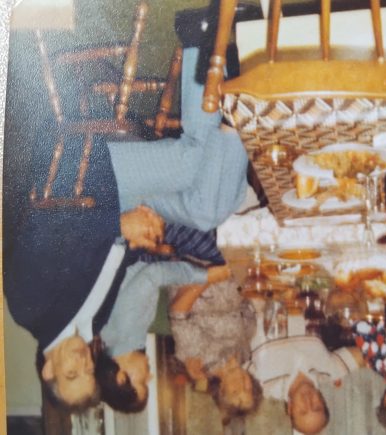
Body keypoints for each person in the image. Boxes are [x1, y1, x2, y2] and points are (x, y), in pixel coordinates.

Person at [4, 45, 249, 411]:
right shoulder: (92, 324)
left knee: (194, 163)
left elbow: (42, 225)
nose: (84, 362)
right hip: (117, 207)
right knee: (207, 211)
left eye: (72, 373)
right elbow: (115, 259)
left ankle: (209, 46)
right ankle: (234, 104)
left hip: (82, 179)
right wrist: (142, 239)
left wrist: (119, 224)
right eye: (88, 371)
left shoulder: (28, 308)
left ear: (48, 370)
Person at [167, 275, 263, 425]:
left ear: (221, 390)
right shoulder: (243, 352)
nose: (242, 384)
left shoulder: (197, 360)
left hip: (199, 273)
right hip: (232, 274)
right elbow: (246, 302)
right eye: (248, 390)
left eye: (235, 391)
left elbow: (178, 310)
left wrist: (209, 277)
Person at [246, 335, 364, 435]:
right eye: (317, 407)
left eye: (302, 411)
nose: (308, 401)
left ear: (290, 409)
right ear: (323, 400)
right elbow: (363, 355)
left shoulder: (262, 383)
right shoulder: (329, 372)